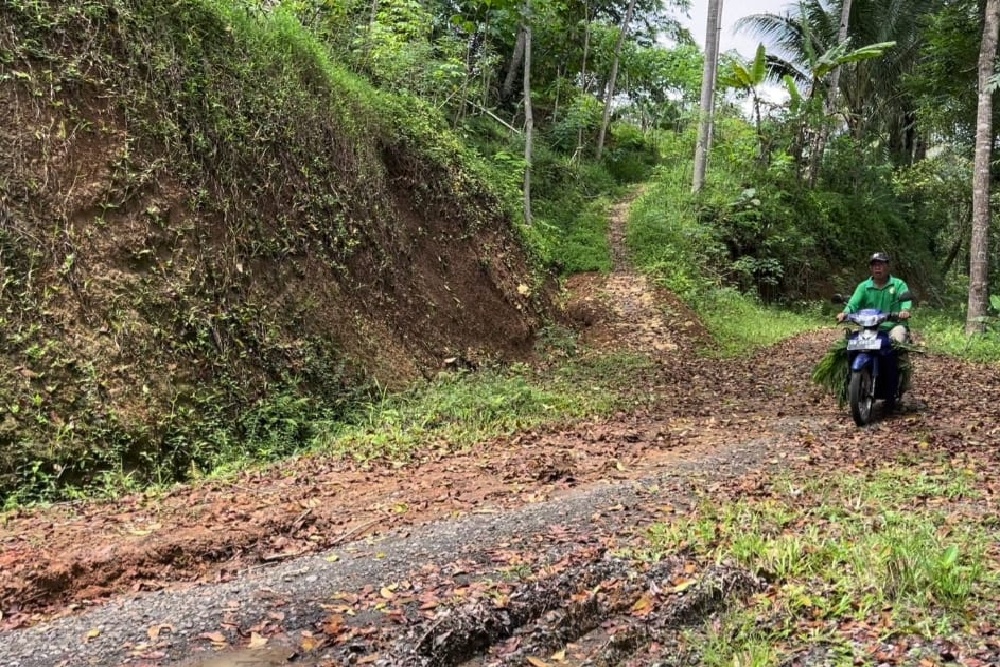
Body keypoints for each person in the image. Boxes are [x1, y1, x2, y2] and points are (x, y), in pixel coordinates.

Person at [836, 252, 912, 343]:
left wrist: (904, 310)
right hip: (869, 327)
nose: (877, 267)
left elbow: (906, 300)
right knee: (850, 343)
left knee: (897, 343)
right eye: (874, 265)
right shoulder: (863, 287)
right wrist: (845, 313)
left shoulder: (899, 284)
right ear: (870, 268)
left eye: (881, 264)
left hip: (894, 325)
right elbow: (853, 303)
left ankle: (901, 356)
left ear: (888, 266)